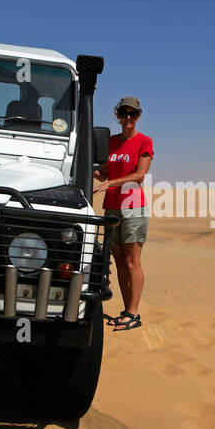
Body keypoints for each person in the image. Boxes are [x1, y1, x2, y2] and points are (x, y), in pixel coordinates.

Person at [93, 96, 152, 331]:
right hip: (112, 207)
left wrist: (112, 182)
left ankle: (133, 313)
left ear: (138, 116)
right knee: (117, 260)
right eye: (124, 113)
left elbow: (139, 175)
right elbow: (104, 172)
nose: (128, 118)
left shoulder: (143, 141)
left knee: (131, 261)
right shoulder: (110, 142)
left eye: (133, 114)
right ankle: (126, 311)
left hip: (133, 207)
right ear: (117, 115)